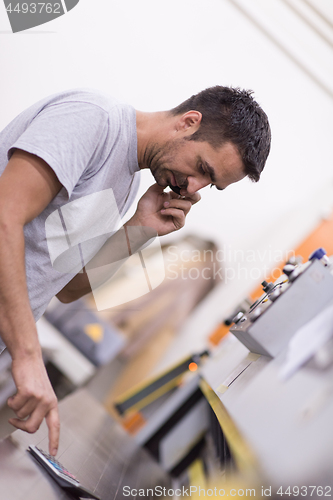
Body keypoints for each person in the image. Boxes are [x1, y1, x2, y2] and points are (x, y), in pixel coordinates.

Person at [0, 85, 271, 456]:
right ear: (188, 123)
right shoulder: (93, 120)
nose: (194, 188)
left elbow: (64, 286)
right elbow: (4, 218)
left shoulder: (127, 185)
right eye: (202, 169)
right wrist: (28, 356)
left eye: (211, 185)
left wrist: (138, 231)